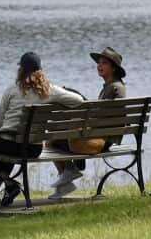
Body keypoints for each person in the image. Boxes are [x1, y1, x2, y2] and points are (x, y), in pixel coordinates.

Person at [0, 52, 83, 205]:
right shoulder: (50, 91)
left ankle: (9, 183)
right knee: (7, 146)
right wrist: (57, 95)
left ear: (21, 70)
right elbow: (78, 100)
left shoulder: (12, 90)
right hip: (34, 147)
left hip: (10, 145)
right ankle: (8, 187)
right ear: (40, 71)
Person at [46, 46, 128, 199]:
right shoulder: (110, 87)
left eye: (104, 63)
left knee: (56, 139)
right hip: (97, 135)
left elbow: (113, 117)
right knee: (53, 139)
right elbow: (103, 115)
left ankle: (69, 172)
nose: (99, 65)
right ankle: (69, 174)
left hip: (102, 140)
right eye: (99, 62)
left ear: (114, 68)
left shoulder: (116, 88)